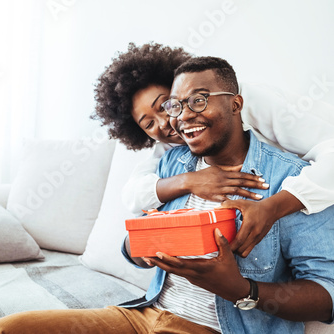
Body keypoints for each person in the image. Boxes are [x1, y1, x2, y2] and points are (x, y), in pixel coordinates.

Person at [0, 56, 334, 334]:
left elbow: (326, 296)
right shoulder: (172, 162)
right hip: (146, 315)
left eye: (198, 101)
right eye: (176, 107)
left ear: (236, 104)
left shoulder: (295, 181)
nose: (179, 119)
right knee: (8, 328)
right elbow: (134, 233)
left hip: (218, 328)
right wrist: (145, 248)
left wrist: (241, 289)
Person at [92, 42, 334, 257]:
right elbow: (133, 194)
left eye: (165, 106)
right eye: (148, 123)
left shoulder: (251, 101)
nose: (164, 123)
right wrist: (189, 181)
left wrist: (270, 209)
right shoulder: (172, 143)